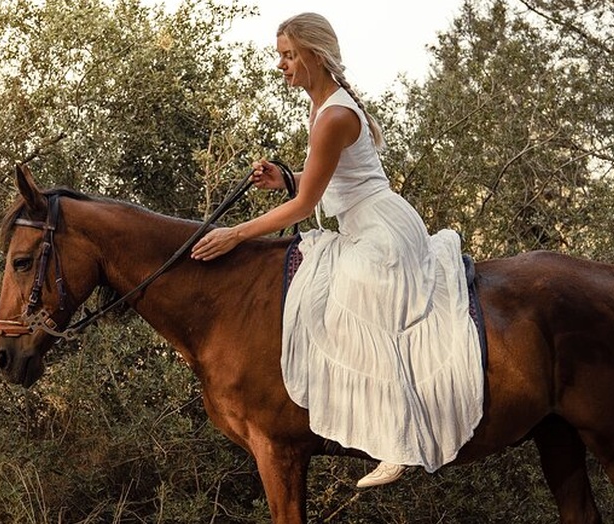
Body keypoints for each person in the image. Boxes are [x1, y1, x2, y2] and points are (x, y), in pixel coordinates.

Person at [191, 12, 483, 488]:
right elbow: (329, 183)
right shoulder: (323, 107)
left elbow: (306, 206)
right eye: (280, 56)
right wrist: (285, 178)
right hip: (361, 225)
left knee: (349, 301)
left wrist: (237, 234)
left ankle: (399, 436)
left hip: (381, 234)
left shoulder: (334, 115)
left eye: (288, 56)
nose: (281, 66)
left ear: (315, 55)